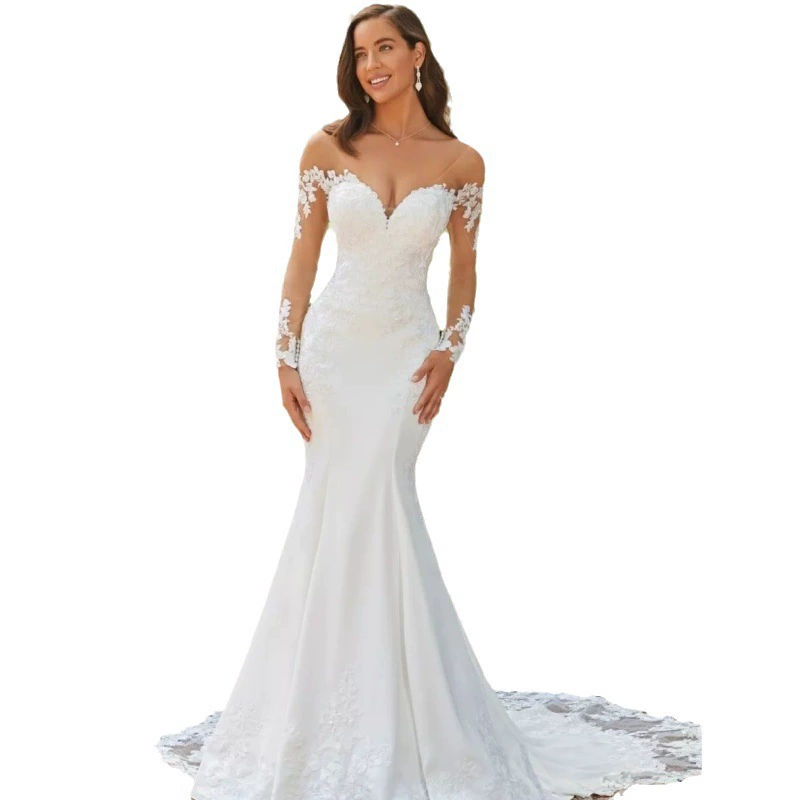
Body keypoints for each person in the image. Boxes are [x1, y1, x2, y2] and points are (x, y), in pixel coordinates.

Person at [156, 6, 702, 799]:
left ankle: (409, 710)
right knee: (334, 509)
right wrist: (283, 356)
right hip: (334, 355)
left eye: (385, 47)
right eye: (360, 53)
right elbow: (301, 258)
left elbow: (466, 267)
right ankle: (318, 705)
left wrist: (452, 346)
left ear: (418, 53)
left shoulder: (462, 161)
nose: (371, 64)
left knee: (382, 497)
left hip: (406, 360)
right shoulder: (325, 148)